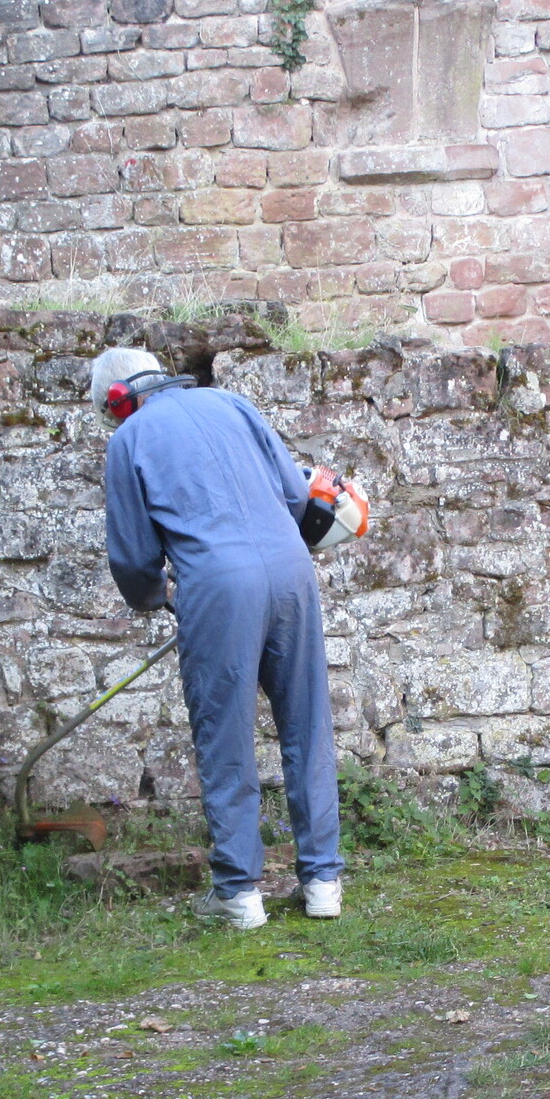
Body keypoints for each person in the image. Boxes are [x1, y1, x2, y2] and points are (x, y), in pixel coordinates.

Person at [93, 345, 344, 931]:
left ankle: (239, 892)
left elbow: (133, 557)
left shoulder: (128, 440)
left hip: (217, 585)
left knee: (225, 734)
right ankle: (323, 882)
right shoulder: (232, 403)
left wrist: (155, 597)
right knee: (307, 722)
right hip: (291, 571)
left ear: (117, 401)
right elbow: (295, 493)